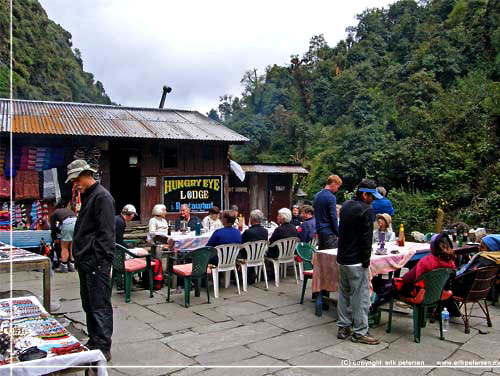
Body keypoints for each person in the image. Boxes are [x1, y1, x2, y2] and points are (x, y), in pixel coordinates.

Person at [67, 159, 115, 361]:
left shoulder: (102, 197)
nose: (75, 184)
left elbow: (106, 234)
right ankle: (94, 341)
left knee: (100, 306)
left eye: (77, 180)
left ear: (87, 175)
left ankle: (103, 346)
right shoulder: (89, 196)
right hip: (86, 260)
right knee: (89, 305)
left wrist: (99, 259)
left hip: (96, 262)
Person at [337, 179, 382, 345]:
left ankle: (343, 327)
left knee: (344, 294)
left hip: (342, 258)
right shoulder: (366, 210)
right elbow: (366, 238)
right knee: (361, 297)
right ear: (364, 194)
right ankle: (360, 332)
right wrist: (366, 261)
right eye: (372, 196)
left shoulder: (346, 206)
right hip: (356, 260)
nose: (374, 200)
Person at [395, 232, 456, 298]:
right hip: (440, 295)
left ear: (432, 247)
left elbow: (408, 278)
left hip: (422, 295)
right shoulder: (451, 262)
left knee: (393, 285)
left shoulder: (426, 261)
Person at [452, 235, 500, 299]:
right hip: (483, 291)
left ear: (491, 248)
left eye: (482, 247)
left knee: (445, 283)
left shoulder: (482, 259)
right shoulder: (496, 259)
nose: (478, 248)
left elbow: (467, 276)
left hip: (467, 292)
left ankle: (449, 307)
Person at [314, 175, 342, 250]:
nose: (337, 190)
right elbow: (333, 217)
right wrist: (337, 233)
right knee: (331, 258)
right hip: (329, 233)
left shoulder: (317, 196)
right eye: (337, 187)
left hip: (320, 231)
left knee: (322, 258)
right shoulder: (331, 197)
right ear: (333, 184)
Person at [241, 209, 268, 284]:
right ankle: (252, 274)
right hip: (260, 255)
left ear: (252, 219)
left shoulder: (248, 232)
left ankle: (237, 276)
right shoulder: (265, 231)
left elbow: (241, 244)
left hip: (248, 256)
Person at [51, 201, 77, 273]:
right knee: (72, 245)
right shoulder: (69, 210)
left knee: (64, 246)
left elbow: (53, 227)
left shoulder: (55, 212)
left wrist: (54, 238)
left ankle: (64, 266)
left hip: (68, 223)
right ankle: (72, 265)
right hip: (76, 223)